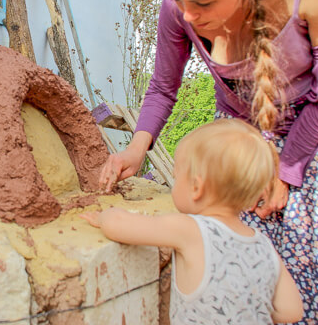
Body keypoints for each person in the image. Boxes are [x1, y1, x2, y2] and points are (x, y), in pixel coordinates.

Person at [99, 0, 318, 323]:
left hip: (312, 137)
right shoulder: (180, 7)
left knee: (316, 265)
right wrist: (137, 148)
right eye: (178, 0)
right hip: (237, 142)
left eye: (203, 4)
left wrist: (288, 169)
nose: (187, 15)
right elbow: (162, 86)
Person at [83, 119, 303, 324]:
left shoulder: (189, 229)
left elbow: (119, 224)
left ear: (196, 188)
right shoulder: (264, 245)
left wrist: (104, 216)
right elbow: (292, 311)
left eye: (177, 176)